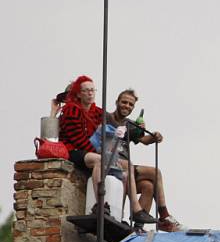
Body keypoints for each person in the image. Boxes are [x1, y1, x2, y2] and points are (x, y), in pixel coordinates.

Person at [91, 89, 180, 231]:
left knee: (148, 186)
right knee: (155, 172)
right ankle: (164, 216)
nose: (127, 106)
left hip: (126, 167)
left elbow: (144, 140)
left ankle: (138, 226)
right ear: (117, 102)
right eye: (124, 102)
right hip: (110, 161)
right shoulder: (106, 117)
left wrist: (155, 137)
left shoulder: (130, 124)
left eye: (130, 104)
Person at [58, 75, 104, 210]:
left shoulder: (95, 111)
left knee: (124, 167)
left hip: (89, 150)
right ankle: (100, 205)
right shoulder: (70, 110)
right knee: (99, 160)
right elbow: (77, 139)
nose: (90, 93)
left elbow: (113, 119)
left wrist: (137, 132)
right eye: (85, 90)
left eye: (92, 90)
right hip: (74, 150)